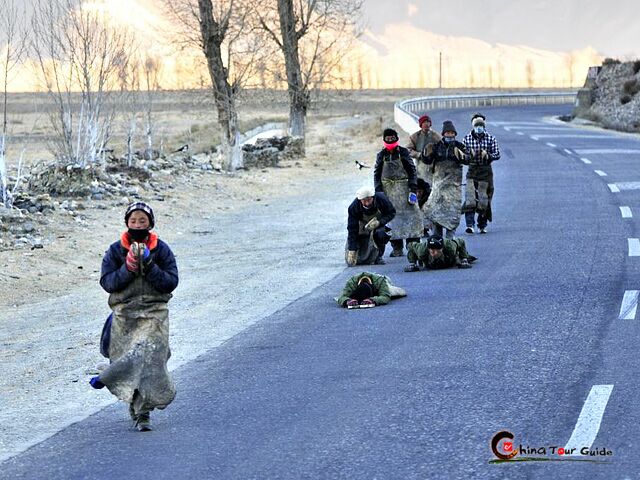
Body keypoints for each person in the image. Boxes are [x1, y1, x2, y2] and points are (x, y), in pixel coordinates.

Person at [90, 201, 179, 432]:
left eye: (142, 220)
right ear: (126, 223)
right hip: (125, 314)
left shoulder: (162, 250)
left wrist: (149, 265)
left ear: (150, 223)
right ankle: (130, 398)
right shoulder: (115, 251)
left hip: (154, 314)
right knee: (129, 362)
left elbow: (171, 282)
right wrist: (127, 268)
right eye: (133, 220)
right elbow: (108, 283)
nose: (138, 224)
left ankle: (144, 412)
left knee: (150, 361)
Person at [374, 128, 423, 257]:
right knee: (392, 220)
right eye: (387, 138)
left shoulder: (403, 152)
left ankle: (413, 246)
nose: (390, 140)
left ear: (397, 138)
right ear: (384, 140)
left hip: (404, 189)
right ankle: (397, 248)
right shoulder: (381, 155)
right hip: (388, 192)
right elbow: (377, 174)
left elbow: (412, 171)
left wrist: (413, 189)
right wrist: (379, 193)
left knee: (412, 218)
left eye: (392, 138)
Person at [421, 120, 470, 238]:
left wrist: (462, 156)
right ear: (443, 134)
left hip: (454, 186)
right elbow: (427, 161)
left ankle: (450, 240)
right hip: (439, 186)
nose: (450, 135)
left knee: (452, 212)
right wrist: (425, 153)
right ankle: (436, 239)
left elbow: (468, 159)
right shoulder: (436, 146)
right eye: (447, 133)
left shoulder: (460, 146)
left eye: (452, 133)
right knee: (436, 211)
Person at [462, 113, 501, 234]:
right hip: (472, 170)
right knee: (470, 198)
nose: (479, 128)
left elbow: (497, 154)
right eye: (476, 125)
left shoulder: (491, 139)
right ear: (473, 125)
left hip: (486, 171)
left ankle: (482, 224)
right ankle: (470, 224)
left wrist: (488, 155)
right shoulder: (467, 139)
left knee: (485, 199)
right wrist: (469, 156)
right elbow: (462, 156)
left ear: (484, 126)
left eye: (481, 125)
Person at [346, 186, 396, 266]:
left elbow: (392, 213)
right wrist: (352, 249)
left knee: (381, 234)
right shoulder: (353, 207)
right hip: (362, 224)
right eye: (364, 201)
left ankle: (379, 256)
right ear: (360, 200)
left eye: (369, 200)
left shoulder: (382, 199)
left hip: (379, 223)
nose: (367, 203)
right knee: (358, 243)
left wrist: (380, 222)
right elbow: (352, 229)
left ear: (373, 197)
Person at [404, 235, 476, 272]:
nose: (434, 253)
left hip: (450, 258)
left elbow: (461, 241)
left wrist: (464, 259)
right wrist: (412, 264)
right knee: (426, 263)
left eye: (436, 250)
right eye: (431, 250)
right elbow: (410, 245)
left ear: (442, 248)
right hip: (429, 262)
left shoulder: (450, 246)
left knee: (458, 260)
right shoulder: (422, 250)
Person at [336, 272, 407, 308]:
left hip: (385, 281)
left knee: (400, 293)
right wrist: (347, 301)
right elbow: (342, 297)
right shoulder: (352, 283)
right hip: (363, 286)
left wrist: (373, 300)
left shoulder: (380, 281)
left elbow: (386, 296)